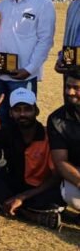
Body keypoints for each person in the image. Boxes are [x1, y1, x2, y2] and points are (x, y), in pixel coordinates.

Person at [0, 88, 64, 229]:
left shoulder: (48, 136)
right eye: (17, 110)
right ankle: (29, 214)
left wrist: (22, 197)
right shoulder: (8, 132)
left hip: (39, 190)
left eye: (27, 109)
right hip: (14, 186)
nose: (22, 114)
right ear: (10, 113)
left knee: (59, 196)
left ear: (36, 111)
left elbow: (55, 178)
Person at [0, 0, 55, 121]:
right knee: (2, 119)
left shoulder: (43, 4)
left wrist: (29, 69)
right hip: (1, 74)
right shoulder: (3, 4)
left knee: (23, 120)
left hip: (23, 76)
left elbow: (45, 40)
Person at [46, 71, 80, 212]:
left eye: (76, 88)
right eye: (68, 86)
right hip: (77, 171)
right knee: (72, 197)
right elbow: (60, 162)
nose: (70, 92)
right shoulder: (56, 119)